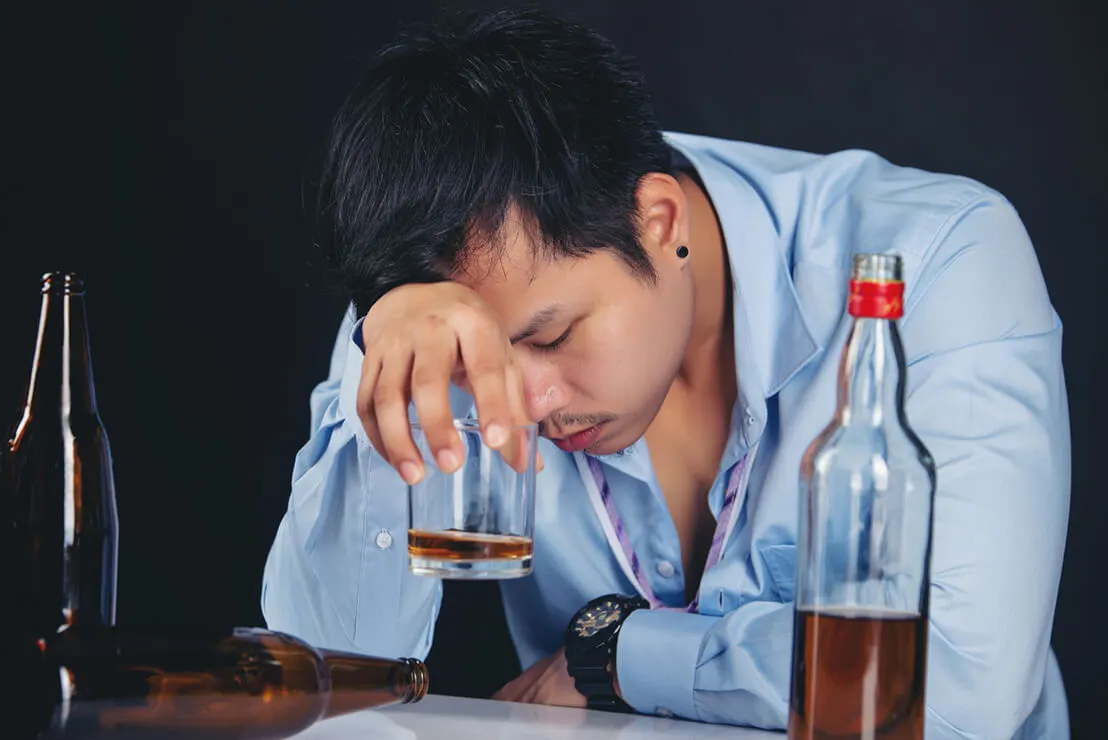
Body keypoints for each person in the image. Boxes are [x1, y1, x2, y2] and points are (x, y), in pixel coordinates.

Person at [259, 7, 1071, 738]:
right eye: (492, 366)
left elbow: (962, 696)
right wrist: (380, 404)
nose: (531, 405)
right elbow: (326, 686)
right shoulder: (429, 324)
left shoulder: (934, 261)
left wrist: (618, 655)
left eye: (554, 335)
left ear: (659, 222)